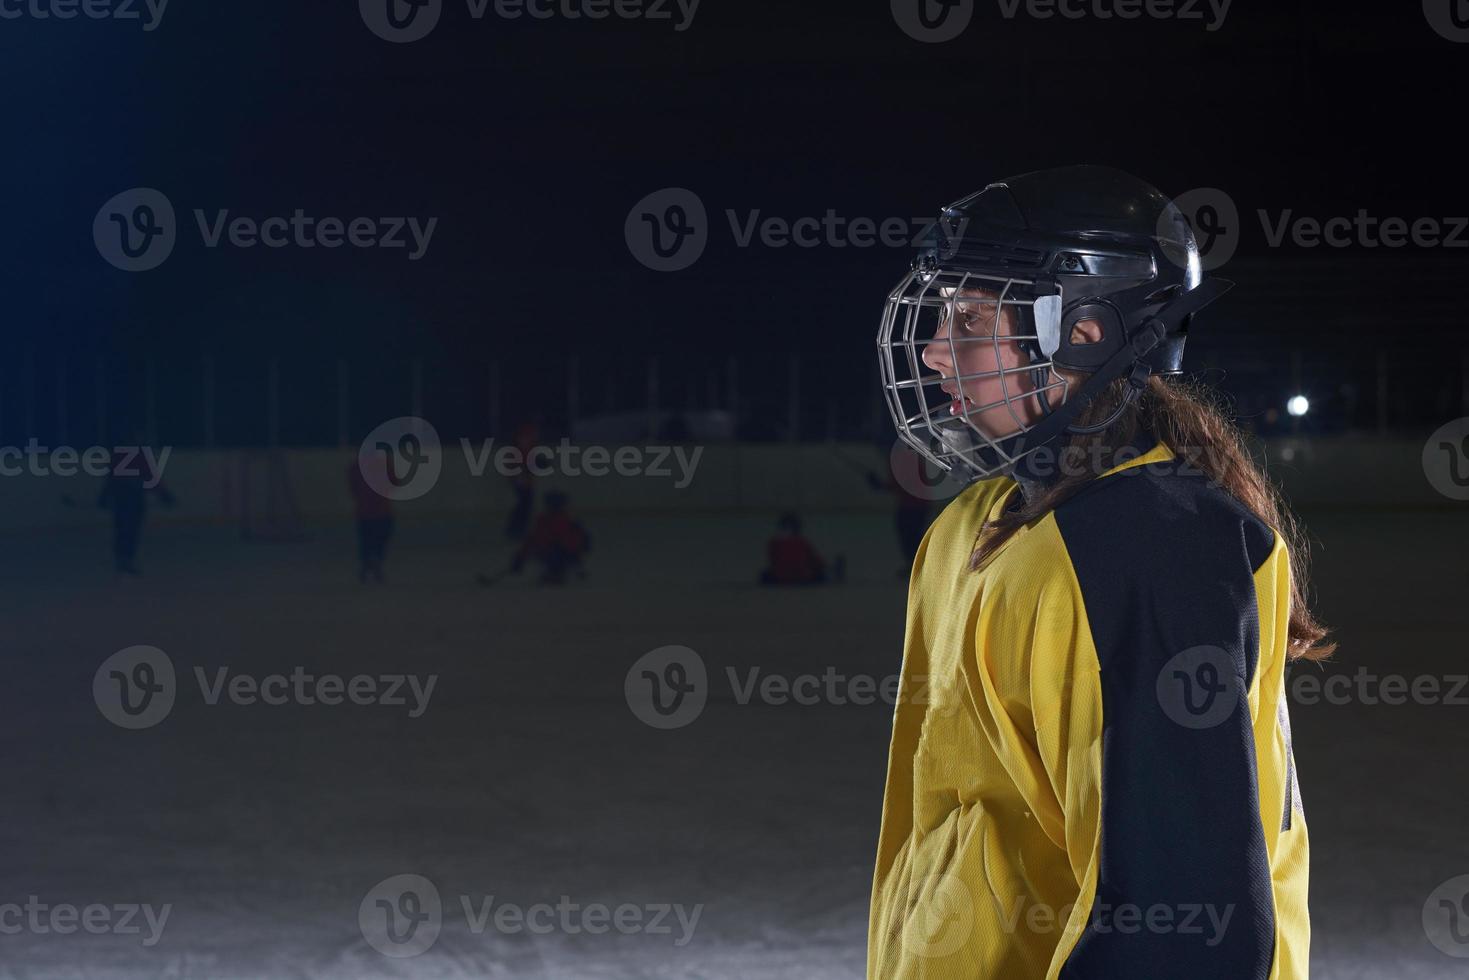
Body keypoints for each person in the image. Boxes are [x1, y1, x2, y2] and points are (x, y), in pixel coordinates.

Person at [867, 166, 1333, 980]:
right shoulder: (971, 524)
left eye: (969, 317)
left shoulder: (1147, 547)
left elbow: (1182, 916)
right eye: (940, 315)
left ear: (1082, 332)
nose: (937, 352)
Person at [96, 431, 174, 575]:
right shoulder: (132, 455)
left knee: (126, 529)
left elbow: (150, 478)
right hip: (128, 499)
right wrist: (164, 495)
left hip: (129, 499)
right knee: (127, 529)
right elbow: (112, 479)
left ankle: (124, 558)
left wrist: (104, 497)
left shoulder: (125, 455)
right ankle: (124, 559)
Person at [508, 491, 589, 585]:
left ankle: (556, 572)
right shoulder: (545, 521)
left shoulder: (568, 521)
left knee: (557, 551)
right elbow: (532, 540)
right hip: (554, 554)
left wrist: (520, 558)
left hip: (563, 554)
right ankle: (555, 572)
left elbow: (578, 541)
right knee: (554, 552)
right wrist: (520, 558)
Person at [759, 512, 844, 585]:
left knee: (765, 574)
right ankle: (833, 574)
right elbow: (815, 560)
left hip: (780, 578)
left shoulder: (773, 543)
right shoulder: (801, 542)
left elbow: (774, 562)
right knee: (819, 573)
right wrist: (827, 567)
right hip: (802, 577)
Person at [348, 454, 394, 584]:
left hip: (364, 511)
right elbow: (395, 482)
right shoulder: (384, 463)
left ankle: (366, 565)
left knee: (365, 540)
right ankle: (375, 563)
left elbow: (352, 486)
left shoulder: (356, 466)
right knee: (381, 539)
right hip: (382, 510)